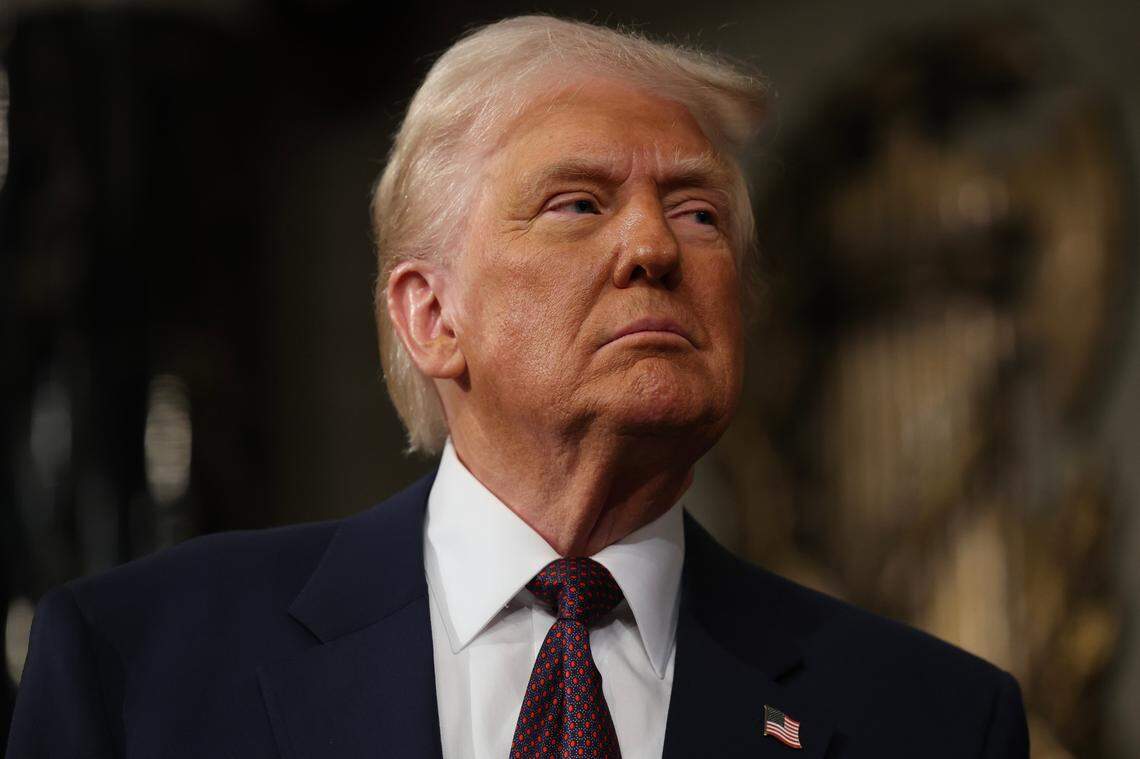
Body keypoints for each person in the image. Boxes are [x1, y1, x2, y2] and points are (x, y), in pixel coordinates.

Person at [7, 15, 1028, 759]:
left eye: (701, 214)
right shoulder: (138, 664)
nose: (653, 247)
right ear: (431, 317)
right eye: (579, 203)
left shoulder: (933, 718)